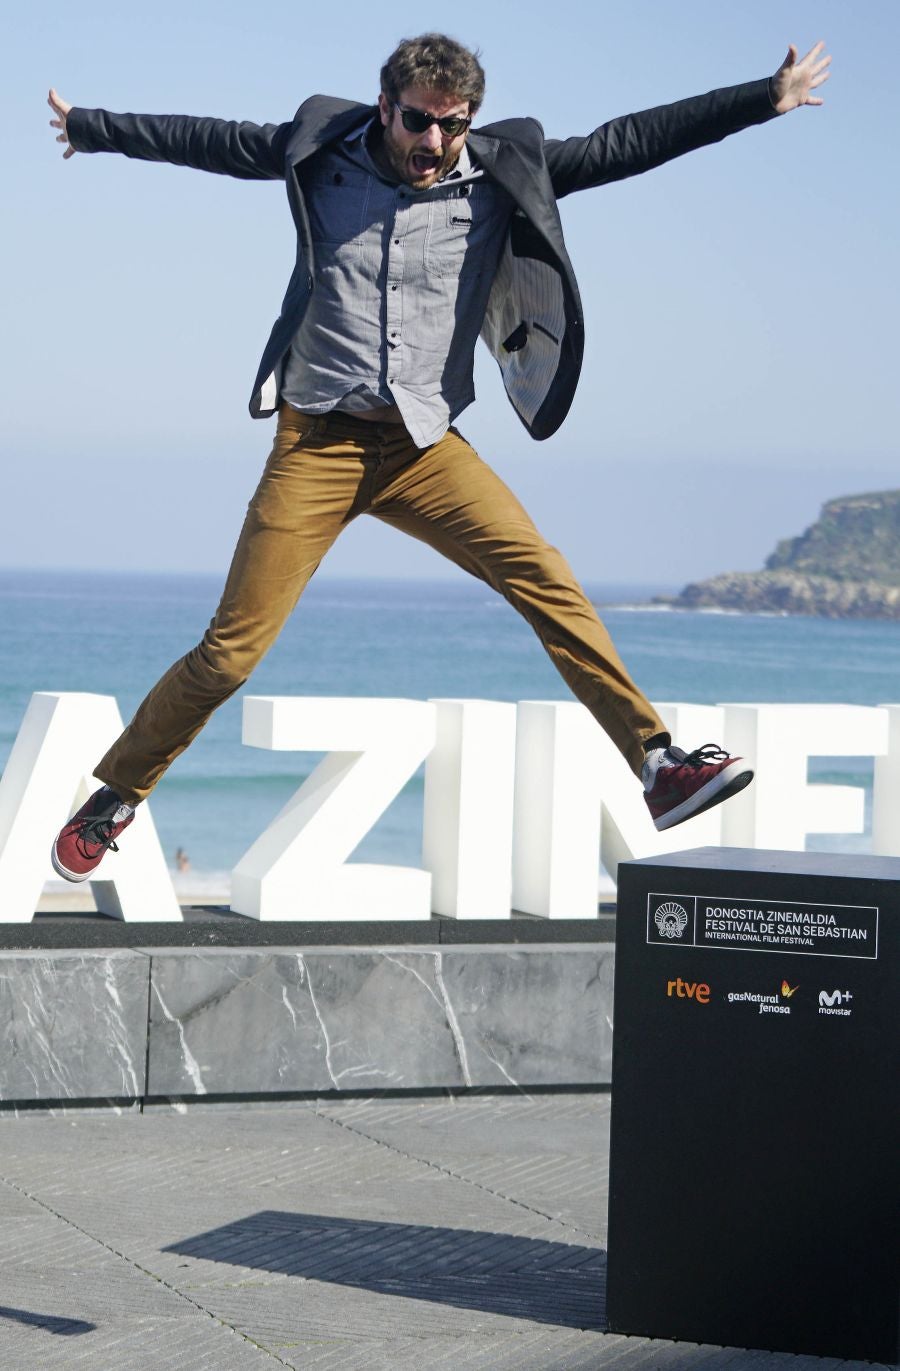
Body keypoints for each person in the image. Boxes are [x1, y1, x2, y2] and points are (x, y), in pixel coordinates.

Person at [48, 33, 830, 883]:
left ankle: (657, 760)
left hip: (425, 447)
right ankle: (117, 791)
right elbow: (208, 141)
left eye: (451, 126)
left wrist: (765, 96)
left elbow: (626, 143)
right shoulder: (316, 150)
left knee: (545, 575)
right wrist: (94, 126)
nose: (432, 143)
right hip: (316, 443)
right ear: (386, 107)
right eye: (418, 122)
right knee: (230, 653)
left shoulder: (501, 174)